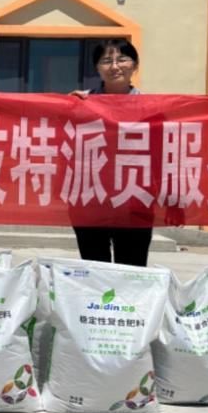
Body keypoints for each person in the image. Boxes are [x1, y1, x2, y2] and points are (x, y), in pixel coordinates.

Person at [68, 38, 153, 266]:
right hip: (91, 200)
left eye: (122, 59)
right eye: (106, 61)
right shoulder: (80, 103)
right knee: (95, 270)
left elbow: (163, 156)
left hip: (135, 200)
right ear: (97, 68)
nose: (115, 66)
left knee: (131, 270)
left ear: (135, 65)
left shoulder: (152, 108)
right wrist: (67, 108)